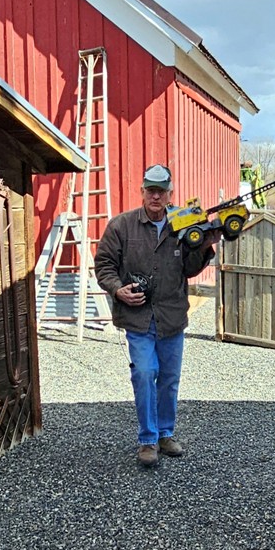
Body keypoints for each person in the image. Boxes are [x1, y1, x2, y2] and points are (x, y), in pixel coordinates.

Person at [95, 164, 220, 467]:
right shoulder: (121, 226)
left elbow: (190, 269)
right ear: (142, 192)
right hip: (137, 318)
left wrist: (204, 244)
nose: (155, 195)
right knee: (144, 373)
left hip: (172, 316)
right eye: (150, 189)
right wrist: (117, 289)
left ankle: (166, 434)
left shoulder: (182, 223)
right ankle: (148, 439)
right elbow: (104, 265)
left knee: (169, 379)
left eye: (161, 190)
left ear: (169, 194)